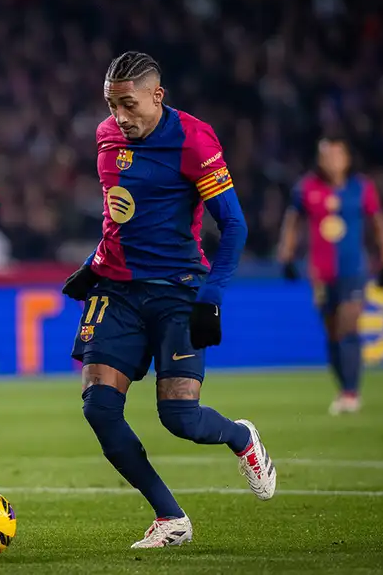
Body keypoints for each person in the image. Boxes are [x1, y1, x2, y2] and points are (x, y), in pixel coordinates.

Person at [62, 52, 276, 548]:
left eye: (129, 104)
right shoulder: (105, 136)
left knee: (179, 417)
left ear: (157, 96)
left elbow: (235, 225)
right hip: (116, 289)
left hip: (178, 289)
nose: (120, 116)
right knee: (98, 407)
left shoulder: (193, 140)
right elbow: (120, 216)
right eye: (112, 105)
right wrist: (94, 263)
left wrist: (211, 296)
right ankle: (170, 517)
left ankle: (241, 438)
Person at [277, 135, 383, 415]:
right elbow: (292, 222)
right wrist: (287, 255)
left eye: (336, 155)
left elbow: (378, 224)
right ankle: (345, 389)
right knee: (332, 333)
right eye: (326, 155)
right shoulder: (306, 188)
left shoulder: (361, 188)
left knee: (348, 325)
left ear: (347, 158)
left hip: (354, 270)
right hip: (320, 274)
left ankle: (352, 392)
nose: (331, 160)